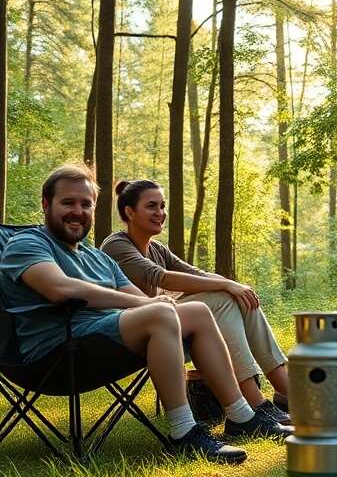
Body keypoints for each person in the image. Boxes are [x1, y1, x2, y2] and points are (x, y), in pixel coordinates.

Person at [0, 163, 292, 465]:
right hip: (58, 349)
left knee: (198, 311)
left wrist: (166, 305)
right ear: (46, 204)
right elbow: (59, 288)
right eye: (67, 202)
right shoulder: (28, 243)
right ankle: (183, 433)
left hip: (103, 337)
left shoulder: (96, 257)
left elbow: (136, 297)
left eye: (86, 204)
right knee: (160, 313)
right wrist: (154, 307)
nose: (78, 211)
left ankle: (242, 416)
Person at [101, 179, 291, 423]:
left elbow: (196, 274)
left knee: (240, 297)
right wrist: (225, 285)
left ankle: (283, 389)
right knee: (222, 297)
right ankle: (256, 403)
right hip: (133, 331)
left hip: (166, 322)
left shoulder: (157, 248)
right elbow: (162, 277)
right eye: (151, 206)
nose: (160, 213)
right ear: (129, 211)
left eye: (162, 206)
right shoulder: (116, 244)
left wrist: (235, 286)